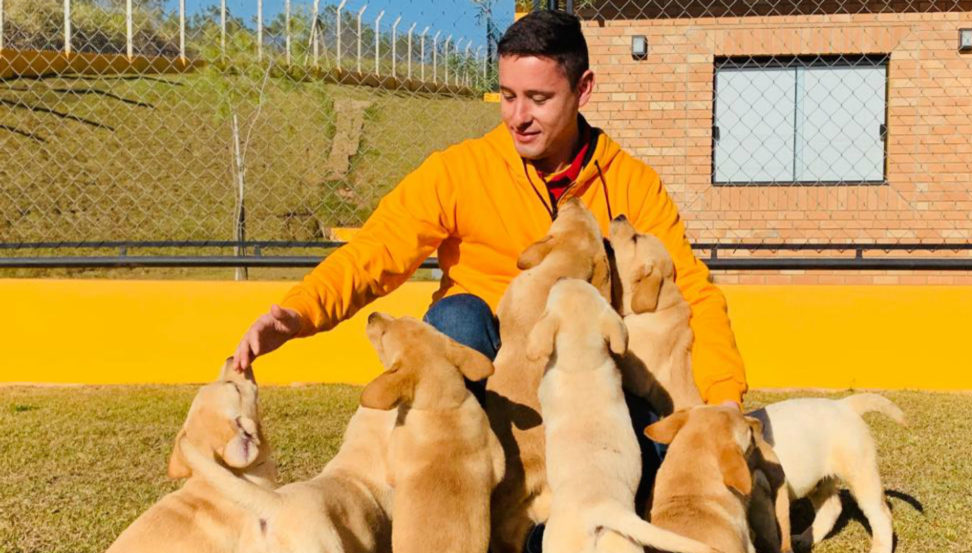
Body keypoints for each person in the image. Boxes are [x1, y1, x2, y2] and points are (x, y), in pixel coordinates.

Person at [233, 10, 747, 469]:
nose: (517, 117)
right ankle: (451, 487)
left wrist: (724, 396)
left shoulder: (632, 183)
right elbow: (375, 252)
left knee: (662, 440)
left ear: (583, 88)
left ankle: (548, 535)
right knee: (456, 317)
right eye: (507, 96)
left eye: (538, 99)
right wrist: (298, 313)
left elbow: (692, 293)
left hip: (587, 377)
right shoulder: (459, 170)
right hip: (489, 367)